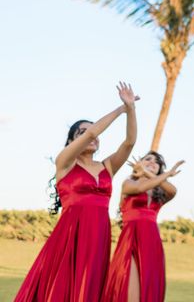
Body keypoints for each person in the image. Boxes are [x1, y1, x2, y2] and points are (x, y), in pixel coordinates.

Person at [15, 82, 139, 301]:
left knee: (91, 284)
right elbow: (92, 131)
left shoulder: (107, 166)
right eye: (81, 133)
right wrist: (120, 109)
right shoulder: (65, 163)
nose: (92, 136)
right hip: (71, 233)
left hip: (99, 234)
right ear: (73, 140)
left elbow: (129, 143)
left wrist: (131, 110)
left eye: (94, 134)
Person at [102, 151, 184, 301]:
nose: (153, 162)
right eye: (148, 159)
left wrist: (148, 172)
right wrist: (155, 174)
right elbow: (140, 189)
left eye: (157, 162)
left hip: (151, 242)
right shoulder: (128, 183)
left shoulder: (161, 192)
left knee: (149, 288)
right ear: (138, 163)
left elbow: (173, 191)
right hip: (131, 238)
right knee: (128, 286)